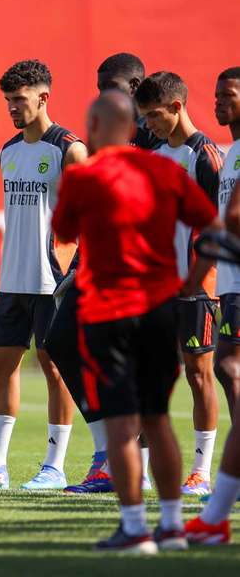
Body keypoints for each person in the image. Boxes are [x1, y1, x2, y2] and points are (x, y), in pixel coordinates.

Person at [52, 90, 220, 553]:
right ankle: (170, 527)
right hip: (163, 308)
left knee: (124, 425)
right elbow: (214, 228)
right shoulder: (167, 170)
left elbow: (65, 232)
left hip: (109, 312)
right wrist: (189, 281)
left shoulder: (85, 177)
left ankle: (134, 529)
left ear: (100, 128)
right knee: (159, 419)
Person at [0, 59, 87, 490]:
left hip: (52, 281)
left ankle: (55, 465)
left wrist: (76, 270)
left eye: (19, 99)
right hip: (13, 279)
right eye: (7, 100)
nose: (12, 107)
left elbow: (87, 219)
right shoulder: (8, 151)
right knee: (1, 365)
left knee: (55, 368)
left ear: (43, 98)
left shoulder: (69, 150)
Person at [47, 52, 163, 495]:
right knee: (60, 340)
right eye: (98, 87)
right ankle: (106, 456)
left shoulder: (156, 139)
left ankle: (138, 468)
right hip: (97, 264)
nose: (102, 95)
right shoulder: (105, 137)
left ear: (135, 87)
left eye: (110, 86)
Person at [136, 71, 225, 496]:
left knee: (198, 373)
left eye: (154, 116)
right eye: (144, 118)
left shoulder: (205, 156)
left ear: (176, 107)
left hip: (195, 286)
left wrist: (194, 278)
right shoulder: (153, 154)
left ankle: (202, 470)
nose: (149, 125)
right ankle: (142, 468)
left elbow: (217, 228)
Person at [185, 65, 240, 544]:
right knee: (228, 369)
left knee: (227, 368)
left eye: (229, 94)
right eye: (217, 93)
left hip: (228, 285)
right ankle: (216, 514)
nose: (219, 101)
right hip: (231, 285)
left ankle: (216, 508)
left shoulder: (221, 155)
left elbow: (231, 218)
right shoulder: (232, 151)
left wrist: (198, 266)